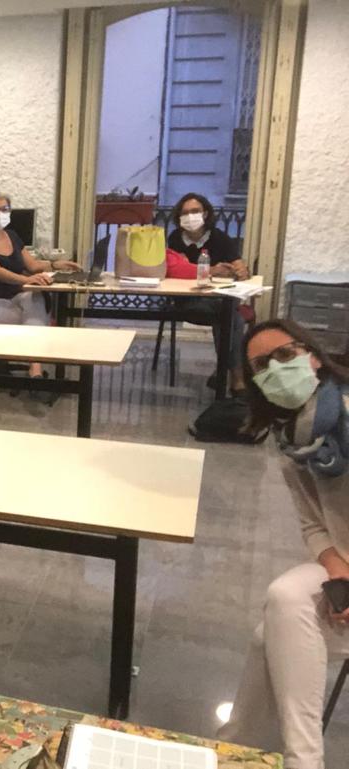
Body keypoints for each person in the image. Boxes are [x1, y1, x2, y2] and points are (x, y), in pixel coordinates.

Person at [218, 319, 349, 769]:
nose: (276, 369)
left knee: (276, 623)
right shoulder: (292, 439)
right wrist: (337, 568)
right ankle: (241, 750)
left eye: (285, 355)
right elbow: (313, 524)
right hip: (342, 564)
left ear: (312, 355)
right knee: (281, 611)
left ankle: (259, 753)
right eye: (261, 366)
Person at [0, 192, 80, 384]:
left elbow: (33, 266)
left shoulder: (12, 236)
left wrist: (55, 265)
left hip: (15, 298)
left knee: (36, 298)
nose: (0, 213)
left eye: (5, 209)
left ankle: (34, 368)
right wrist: (27, 280)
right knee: (36, 317)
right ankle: (35, 370)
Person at [167, 192, 250, 393]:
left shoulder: (220, 238)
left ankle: (226, 370)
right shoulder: (175, 238)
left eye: (195, 211)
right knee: (232, 317)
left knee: (230, 315)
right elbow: (177, 269)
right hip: (189, 300)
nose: (190, 216)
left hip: (218, 299)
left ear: (205, 213)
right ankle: (235, 374)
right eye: (185, 213)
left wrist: (240, 270)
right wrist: (212, 270)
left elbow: (239, 266)